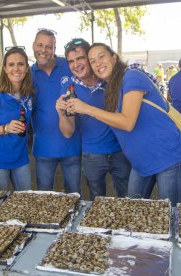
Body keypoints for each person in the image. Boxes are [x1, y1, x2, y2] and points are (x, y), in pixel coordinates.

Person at [67, 43, 181, 206]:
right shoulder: (111, 87)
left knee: (168, 212)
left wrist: (87, 108)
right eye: (93, 61)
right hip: (140, 160)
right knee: (133, 208)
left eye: (102, 56)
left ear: (114, 57)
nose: (98, 63)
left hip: (166, 154)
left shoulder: (131, 77)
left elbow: (127, 122)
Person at [56, 38, 131, 200]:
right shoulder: (69, 88)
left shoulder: (111, 80)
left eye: (80, 58)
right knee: (97, 200)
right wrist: (61, 114)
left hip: (120, 150)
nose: (76, 65)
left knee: (127, 197)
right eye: (71, 61)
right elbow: (68, 132)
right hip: (92, 154)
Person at [31, 29, 81, 194]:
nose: (43, 50)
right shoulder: (28, 74)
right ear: (33, 46)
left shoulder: (69, 66)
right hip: (43, 148)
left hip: (71, 146)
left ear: (54, 49)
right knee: (45, 198)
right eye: (40, 45)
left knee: (74, 196)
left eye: (49, 46)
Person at [0, 47, 34, 191]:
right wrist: (5, 128)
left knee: (25, 201)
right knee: (0, 204)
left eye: (21, 64)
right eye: (11, 64)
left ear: (27, 68)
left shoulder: (28, 93)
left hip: (20, 158)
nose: (16, 69)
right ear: (4, 68)